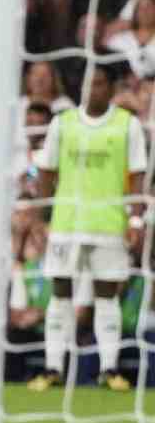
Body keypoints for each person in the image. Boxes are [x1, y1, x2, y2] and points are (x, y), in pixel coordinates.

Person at [30, 63, 147, 392]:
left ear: (110, 87)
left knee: (107, 296)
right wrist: (40, 217)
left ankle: (109, 369)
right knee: (60, 292)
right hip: (67, 223)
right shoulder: (62, 123)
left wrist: (135, 219)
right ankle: (53, 367)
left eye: (97, 84)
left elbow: (138, 176)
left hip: (109, 224)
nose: (91, 90)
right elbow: (46, 172)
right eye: (86, 84)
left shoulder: (128, 125)